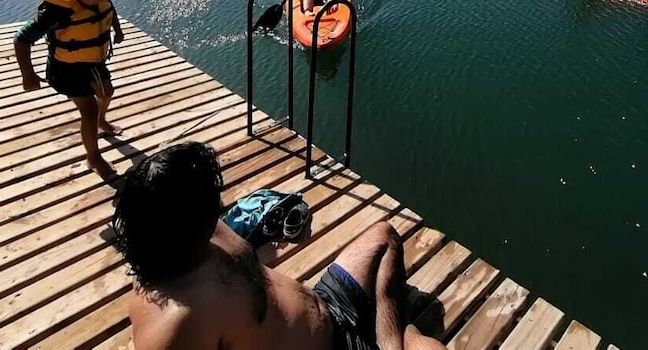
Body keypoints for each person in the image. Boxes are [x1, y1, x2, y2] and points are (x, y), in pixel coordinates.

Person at [113, 141, 446, 350]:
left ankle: (390, 336)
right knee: (426, 346)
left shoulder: (200, 231)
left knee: (383, 237)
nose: (219, 207)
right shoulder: (175, 325)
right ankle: (400, 335)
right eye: (210, 203)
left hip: (330, 306)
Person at [14, 0, 125, 182]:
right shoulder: (57, 11)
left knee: (107, 92)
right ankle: (93, 157)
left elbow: (108, 7)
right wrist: (28, 75)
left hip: (93, 62)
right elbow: (22, 39)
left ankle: (101, 121)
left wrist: (117, 28)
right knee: (89, 110)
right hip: (66, 70)